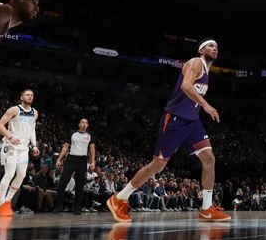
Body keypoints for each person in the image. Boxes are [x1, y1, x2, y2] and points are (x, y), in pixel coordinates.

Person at [106, 39, 230, 222]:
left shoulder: (207, 72)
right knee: (158, 164)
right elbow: (185, 86)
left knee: (209, 158)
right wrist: (205, 105)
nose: (215, 49)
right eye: (211, 46)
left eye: (217, 47)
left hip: (192, 122)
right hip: (175, 119)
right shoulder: (195, 62)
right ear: (201, 49)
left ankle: (207, 208)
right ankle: (119, 198)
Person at [0, 89, 40, 217]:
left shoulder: (35, 112)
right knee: (9, 174)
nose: (30, 96)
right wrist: (10, 136)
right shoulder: (14, 110)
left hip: (23, 149)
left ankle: (7, 201)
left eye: (32, 95)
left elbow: (32, 129)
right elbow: (0, 124)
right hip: (10, 147)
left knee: (21, 175)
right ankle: (0, 204)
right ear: (21, 97)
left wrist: (34, 145)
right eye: (27, 94)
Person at [53, 118, 96, 214]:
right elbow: (65, 146)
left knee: (80, 185)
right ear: (79, 124)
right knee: (63, 182)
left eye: (86, 123)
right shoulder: (72, 133)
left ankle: (77, 208)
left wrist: (92, 161)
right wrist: (59, 159)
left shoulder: (90, 135)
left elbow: (92, 149)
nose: (84, 124)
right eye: (82, 122)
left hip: (82, 160)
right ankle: (58, 207)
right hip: (71, 159)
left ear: (87, 125)